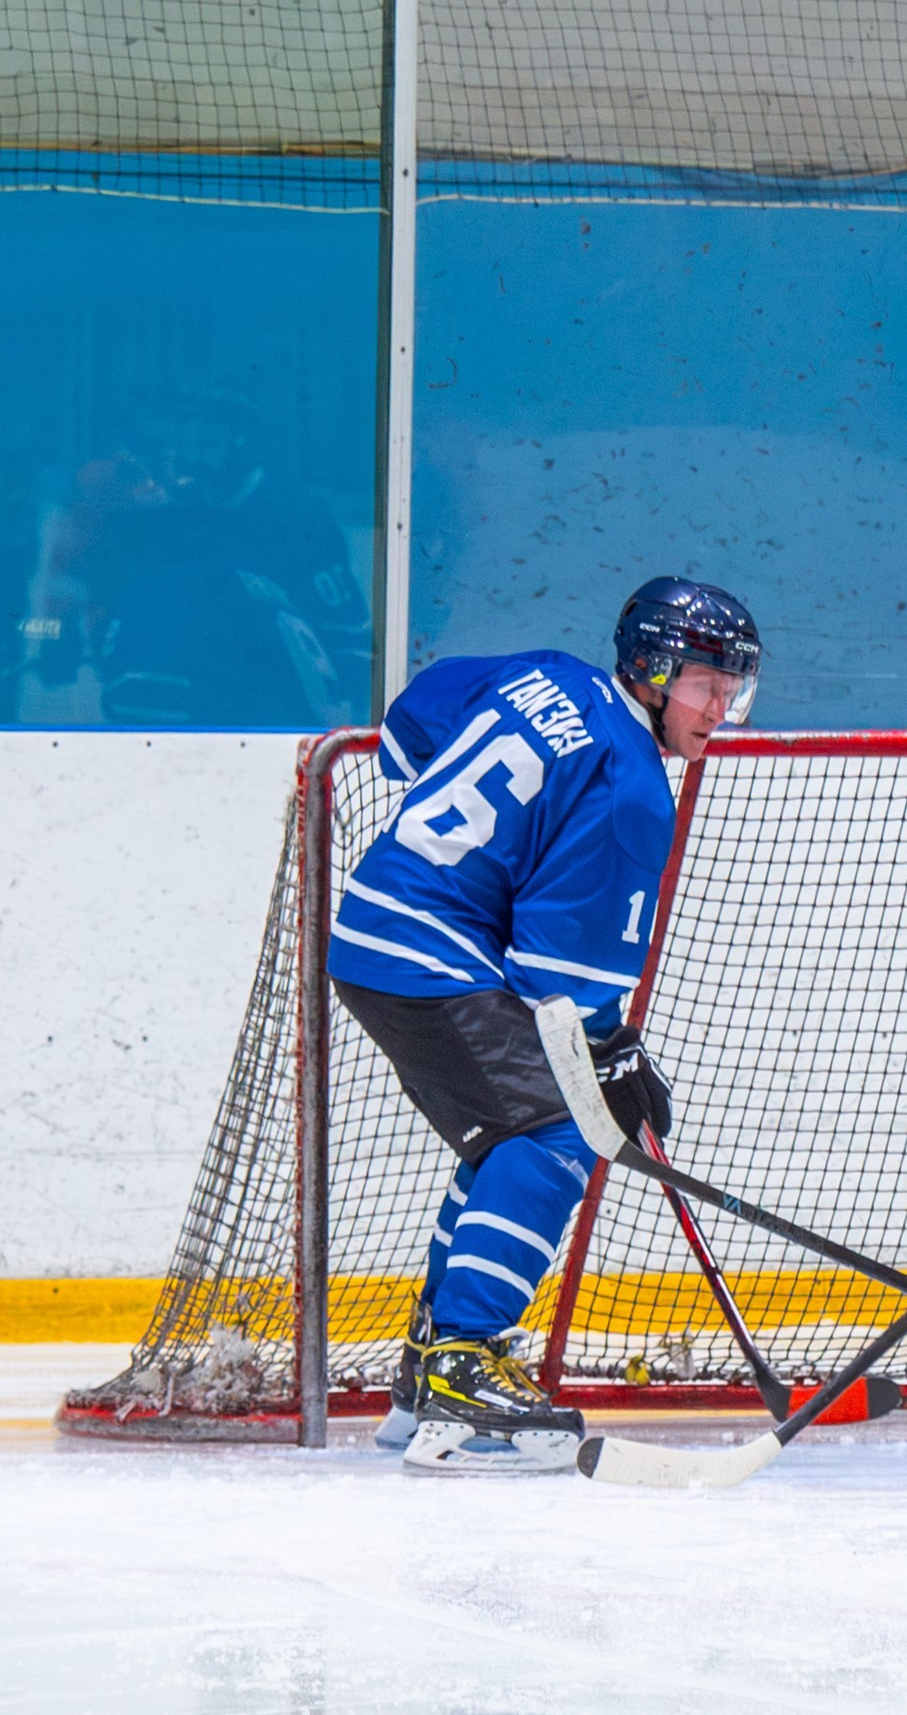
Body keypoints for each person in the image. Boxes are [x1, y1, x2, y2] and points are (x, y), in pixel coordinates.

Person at [328, 576, 761, 1471]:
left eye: (734, 688)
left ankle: (428, 1370)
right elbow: (559, 977)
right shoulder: (634, 788)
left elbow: (413, 721)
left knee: (506, 1138)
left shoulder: (547, 675)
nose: (722, 708)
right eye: (705, 684)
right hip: (427, 955)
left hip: (382, 926)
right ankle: (463, 1362)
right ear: (651, 669)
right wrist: (608, 1049)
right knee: (560, 1131)